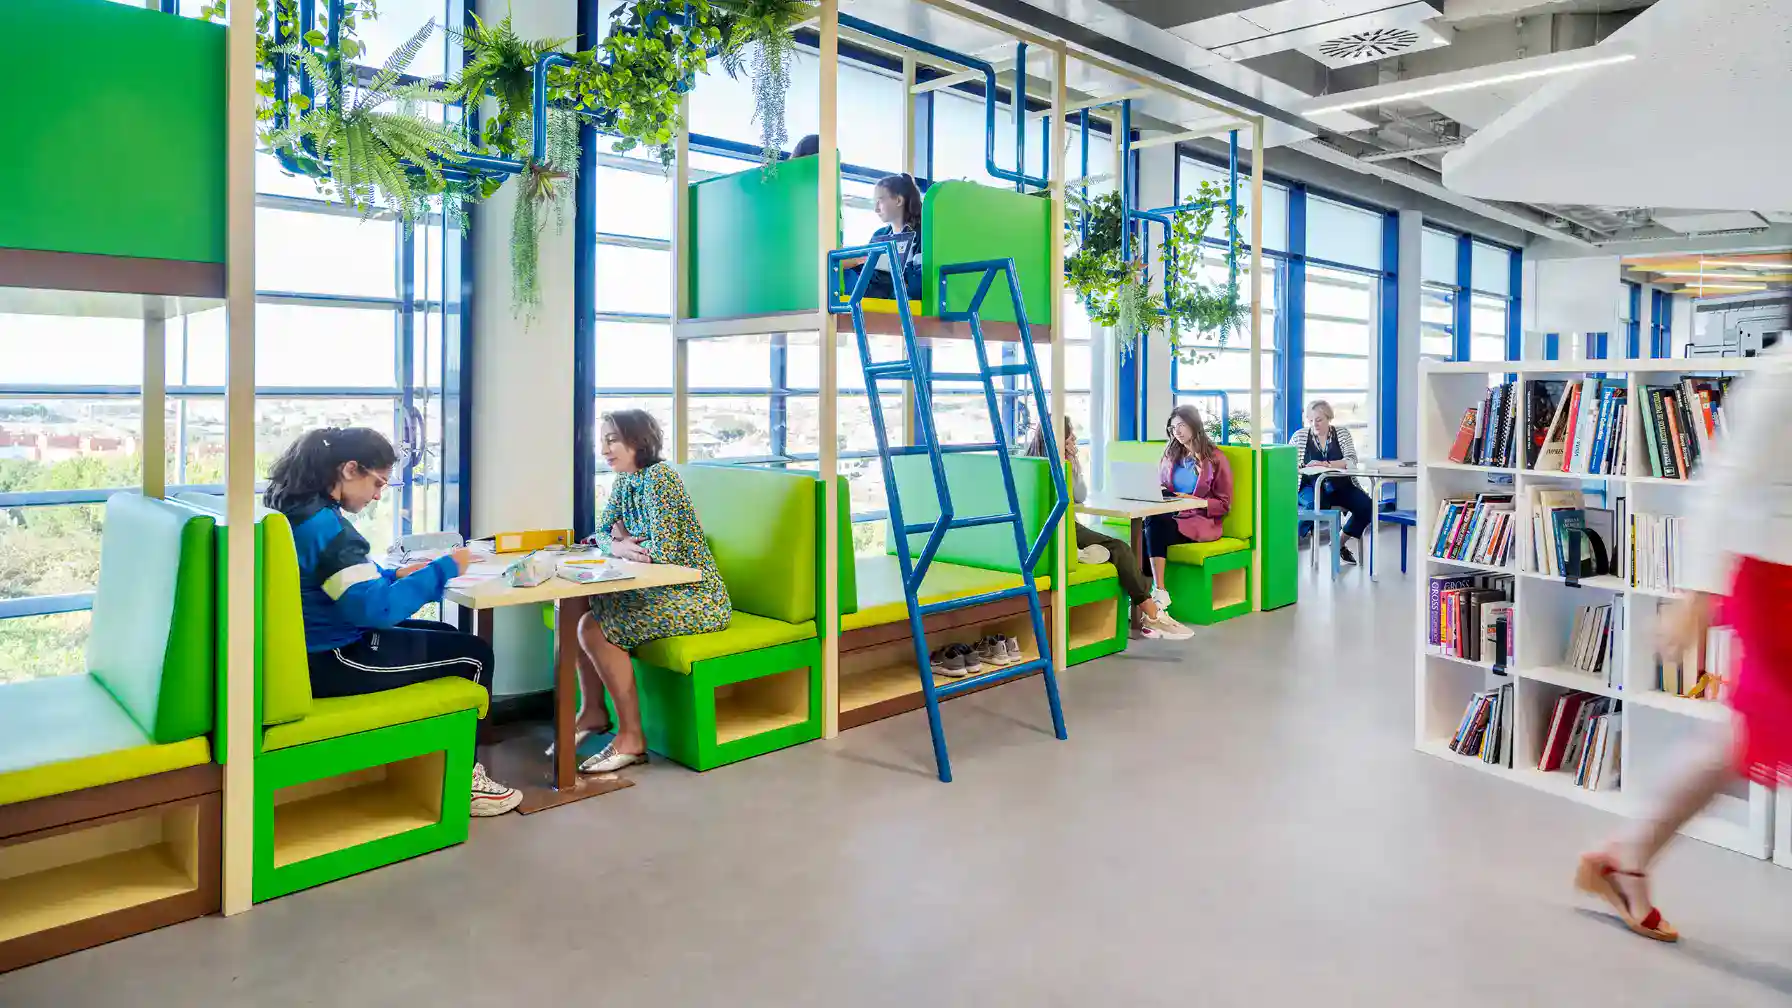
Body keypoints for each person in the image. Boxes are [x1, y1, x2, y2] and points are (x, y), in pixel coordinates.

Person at [1575, 350, 1792, 942]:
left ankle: (1627, 856)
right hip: (1776, 581)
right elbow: (1724, 482)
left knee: (1740, 740)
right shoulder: (1782, 376)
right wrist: (1695, 595)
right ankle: (1627, 856)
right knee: (1749, 736)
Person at [265, 426, 522, 817]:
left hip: (313, 647)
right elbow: (376, 610)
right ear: (350, 469)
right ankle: (464, 784)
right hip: (335, 657)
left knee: (448, 635)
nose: (377, 496)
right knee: (474, 654)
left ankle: (437, 762)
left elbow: (338, 583)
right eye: (377, 483)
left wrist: (395, 575)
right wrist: (444, 569)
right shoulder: (326, 528)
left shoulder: (299, 512)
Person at [572, 409, 732, 774]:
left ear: (637, 440)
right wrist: (619, 545)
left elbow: (665, 553)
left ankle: (631, 738)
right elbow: (599, 533)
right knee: (577, 603)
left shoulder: (660, 479)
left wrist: (626, 544)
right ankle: (593, 711)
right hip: (661, 591)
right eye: (603, 441)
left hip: (698, 597)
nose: (604, 450)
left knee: (592, 628)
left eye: (612, 440)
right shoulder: (624, 481)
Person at [1024, 416, 1193, 641]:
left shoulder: (1027, 461)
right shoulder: (1057, 465)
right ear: (1060, 438)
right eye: (1070, 435)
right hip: (1060, 529)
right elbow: (1079, 495)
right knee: (1121, 549)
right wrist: (1072, 463)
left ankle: (1087, 555)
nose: (1074, 438)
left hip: (1044, 531)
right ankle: (1152, 614)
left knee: (1127, 546)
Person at [1144, 405, 1234, 611]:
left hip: (1197, 522)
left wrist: (1193, 500)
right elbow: (1162, 486)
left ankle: (1157, 593)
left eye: (1182, 425)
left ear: (1194, 425)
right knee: (1145, 529)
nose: (1177, 431)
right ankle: (1150, 597)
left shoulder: (1215, 458)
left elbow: (1224, 504)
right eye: (1173, 427)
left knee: (1152, 526)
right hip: (1170, 515)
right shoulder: (1170, 455)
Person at [1290, 399, 1372, 565]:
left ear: (1328, 418)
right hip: (1310, 486)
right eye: (1311, 420)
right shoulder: (1300, 436)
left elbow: (1351, 461)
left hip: (1341, 486)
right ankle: (1289, 542)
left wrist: (1325, 464)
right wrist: (1299, 467)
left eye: (1319, 420)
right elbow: (1288, 463)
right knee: (1313, 504)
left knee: (1367, 506)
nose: (1314, 424)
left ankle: (1338, 543)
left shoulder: (1341, 433)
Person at [840, 173, 924, 301]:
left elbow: (919, 284)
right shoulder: (880, 235)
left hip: (901, 297)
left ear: (898, 200)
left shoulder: (922, 235)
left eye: (880, 201)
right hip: (876, 291)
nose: (876, 209)